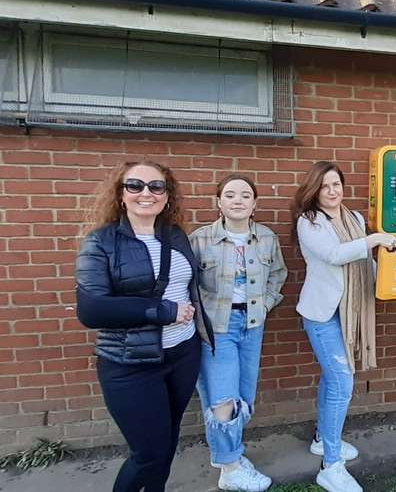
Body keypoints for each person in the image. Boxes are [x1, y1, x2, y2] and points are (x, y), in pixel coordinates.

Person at [75, 161, 214, 492]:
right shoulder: (101, 242)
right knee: (148, 453)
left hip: (182, 354)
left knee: (166, 444)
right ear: (121, 195)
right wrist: (163, 312)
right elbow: (92, 310)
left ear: (167, 196)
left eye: (156, 186)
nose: (146, 193)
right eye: (135, 185)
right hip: (130, 364)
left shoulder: (175, 236)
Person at [292, 161, 396, 492]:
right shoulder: (308, 222)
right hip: (322, 314)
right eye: (324, 186)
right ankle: (331, 465)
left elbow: (364, 259)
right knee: (341, 383)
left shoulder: (353, 218)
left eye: (336, 184)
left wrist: (394, 263)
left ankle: (323, 439)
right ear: (314, 190)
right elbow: (336, 254)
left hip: (350, 311)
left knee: (332, 379)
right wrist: (376, 238)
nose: (332, 191)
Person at [189, 174, 287, 492]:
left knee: (244, 397)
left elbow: (278, 274)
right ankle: (230, 468)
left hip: (252, 325)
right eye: (230, 195)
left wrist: (266, 305)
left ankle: (229, 455)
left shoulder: (267, 238)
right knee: (222, 400)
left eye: (245, 195)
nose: (238, 200)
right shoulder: (200, 240)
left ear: (255, 203)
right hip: (217, 328)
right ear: (218, 202)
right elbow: (186, 286)